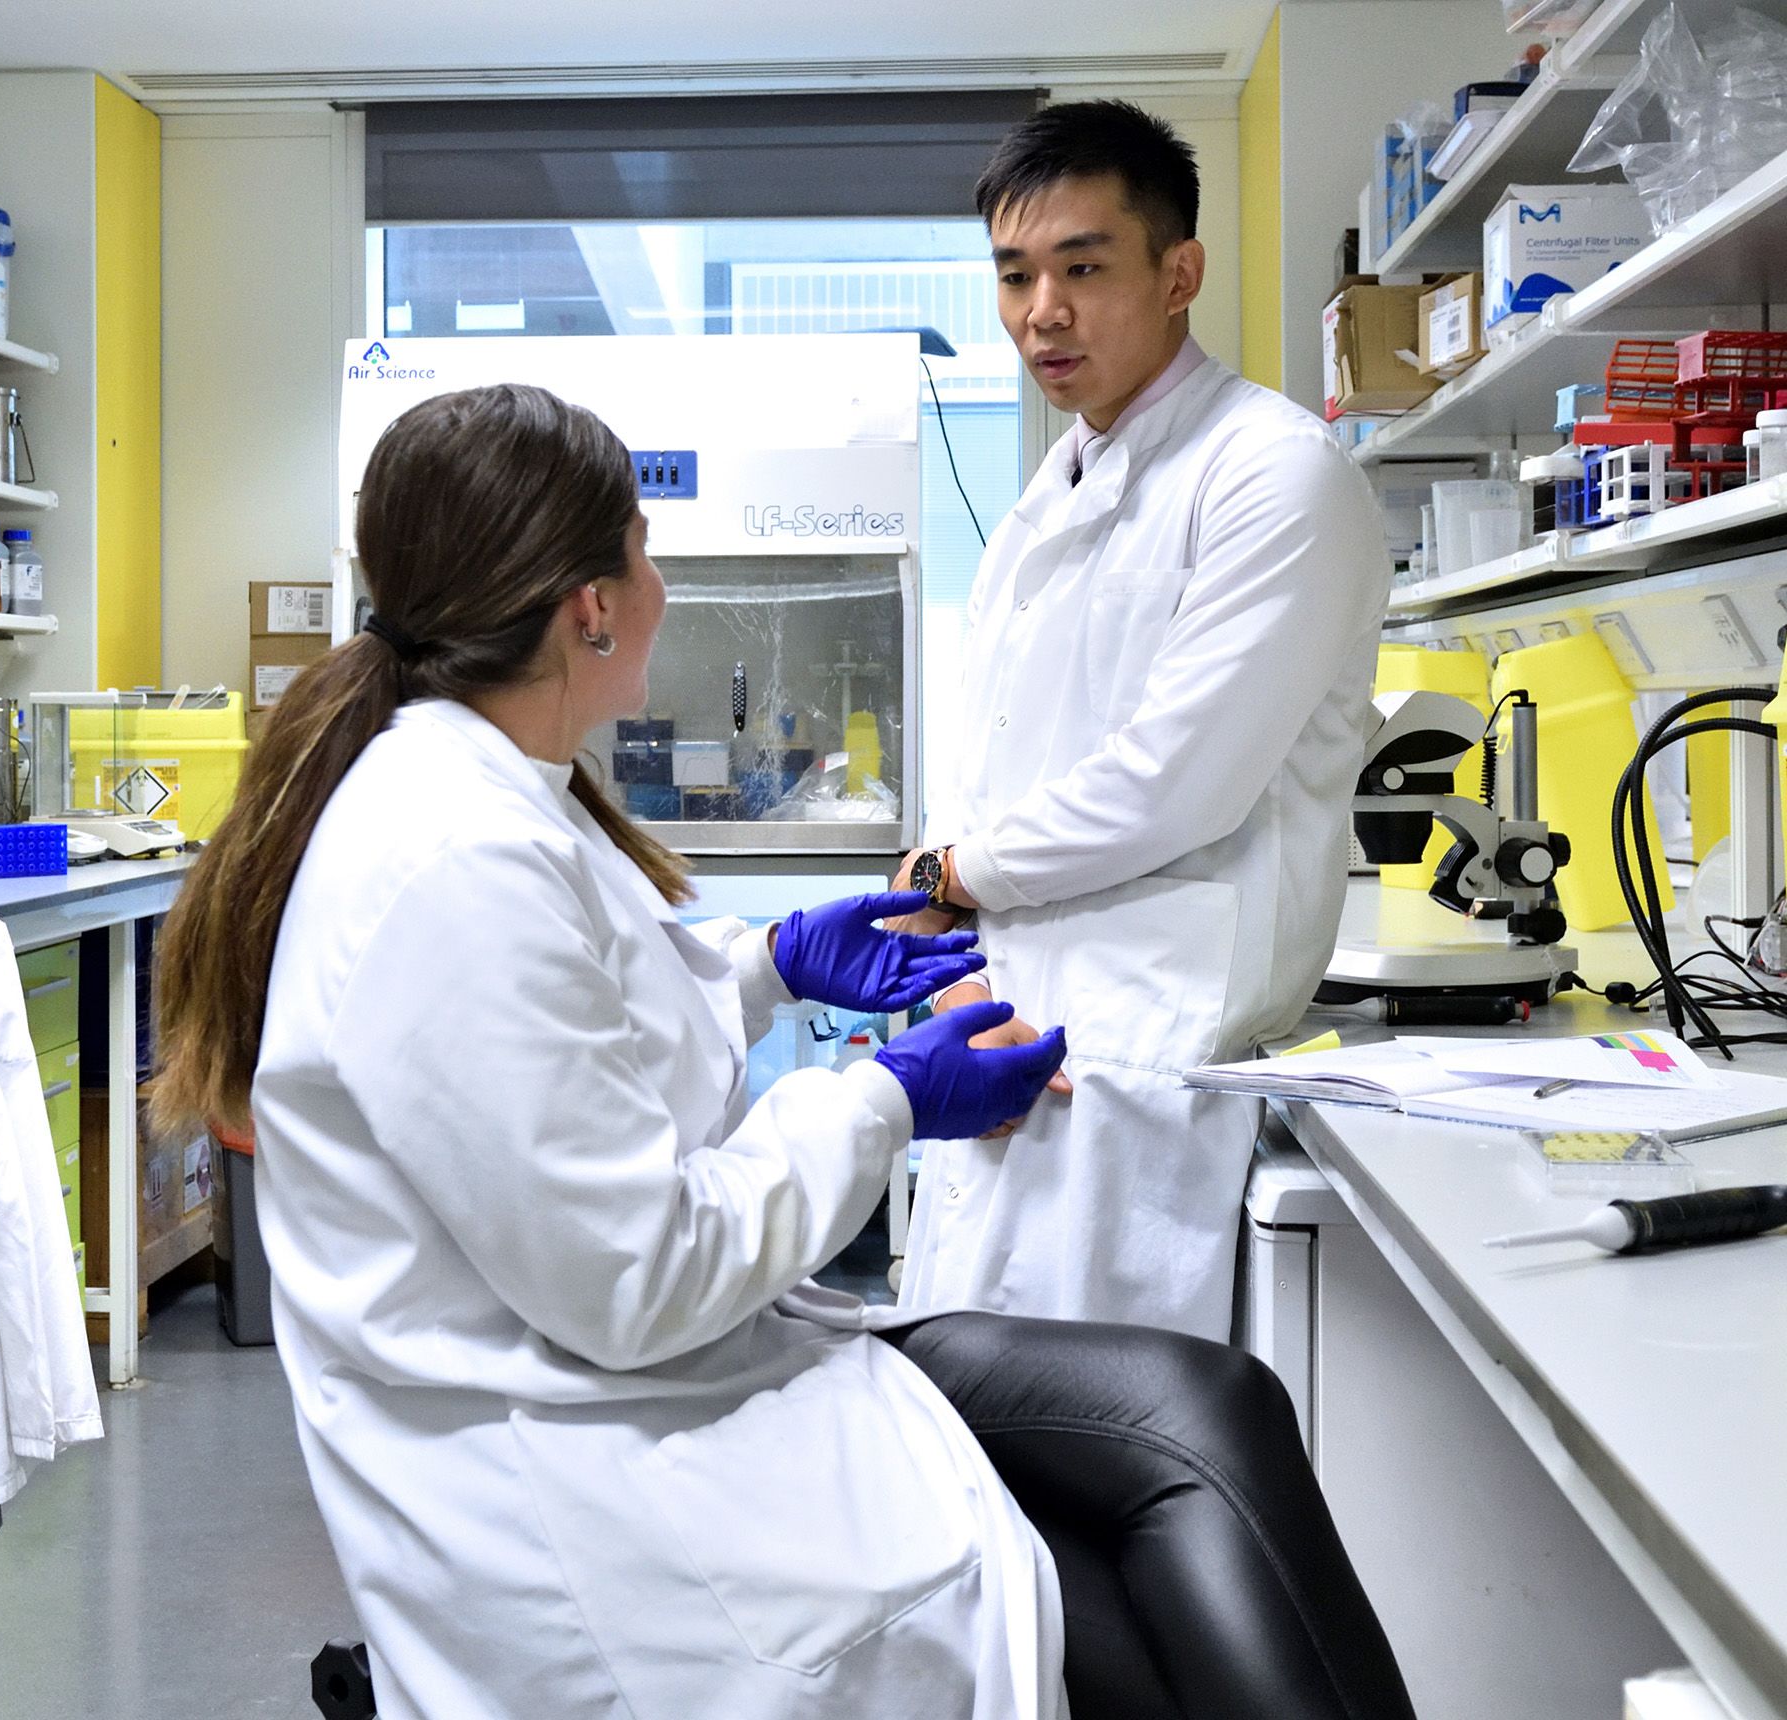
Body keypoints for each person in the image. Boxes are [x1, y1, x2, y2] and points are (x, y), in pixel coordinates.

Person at [154, 384, 1412, 1718]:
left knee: (1209, 1411)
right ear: (589, 607)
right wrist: (885, 1097)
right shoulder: (451, 858)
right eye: (642, 548)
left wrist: (767, 967)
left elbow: (577, 1047)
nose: (658, 580)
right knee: (1110, 1602)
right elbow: (642, 1272)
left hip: (665, 1388)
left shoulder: (485, 790)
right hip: (604, 1483)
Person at [891, 100, 1390, 1338]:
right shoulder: (1036, 510)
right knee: (972, 1457)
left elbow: (1175, 782)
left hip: (1144, 1078)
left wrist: (951, 873)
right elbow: (978, 767)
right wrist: (949, 981)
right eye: (1013, 276)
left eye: (1081, 266)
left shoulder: (1274, 474)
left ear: (1180, 273)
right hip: (1002, 1051)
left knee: (1113, 1467)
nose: (1039, 312)